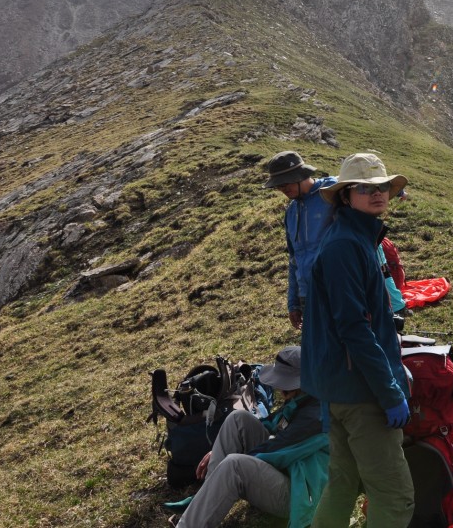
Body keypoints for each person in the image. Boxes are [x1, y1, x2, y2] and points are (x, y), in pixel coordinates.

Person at [300, 153, 415, 527]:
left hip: (342, 387)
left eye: (381, 186)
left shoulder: (355, 239)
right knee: (395, 496)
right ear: (347, 196)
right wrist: (389, 391)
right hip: (361, 391)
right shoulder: (346, 247)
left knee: (345, 481)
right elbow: (354, 329)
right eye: (365, 187)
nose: (377, 193)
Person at [173, 346, 329, 528]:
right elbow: (271, 424)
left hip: (300, 494)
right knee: (238, 418)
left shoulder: (315, 416)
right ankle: (204, 499)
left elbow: (276, 451)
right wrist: (216, 452)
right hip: (290, 471)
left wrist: (226, 461)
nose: (278, 387)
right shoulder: (303, 399)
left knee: (234, 466)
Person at [263, 151, 337, 330]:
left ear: (301, 175)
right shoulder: (291, 212)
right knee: (318, 351)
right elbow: (294, 260)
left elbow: (364, 188)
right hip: (307, 295)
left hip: (335, 289)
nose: (282, 189)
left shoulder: (331, 192)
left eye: (285, 183)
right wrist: (293, 303)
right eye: (278, 186)